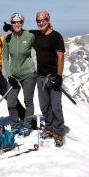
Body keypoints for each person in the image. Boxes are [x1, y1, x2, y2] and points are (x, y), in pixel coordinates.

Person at [31, 11, 66, 147]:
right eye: (38, 21)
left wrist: (59, 76)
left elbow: (61, 57)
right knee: (44, 105)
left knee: (56, 106)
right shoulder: (36, 34)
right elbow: (21, 30)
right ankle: (49, 128)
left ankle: (58, 132)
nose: (41, 23)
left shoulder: (56, 37)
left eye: (43, 20)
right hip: (40, 77)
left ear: (48, 19)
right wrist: (10, 27)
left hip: (53, 77)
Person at [2, 13, 36, 136]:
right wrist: (9, 75)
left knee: (28, 101)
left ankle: (27, 126)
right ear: (11, 23)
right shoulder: (8, 39)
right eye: (14, 22)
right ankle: (15, 126)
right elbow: (5, 58)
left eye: (19, 22)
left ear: (22, 23)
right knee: (11, 103)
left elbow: (40, 50)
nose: (17, 24)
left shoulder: (29, 36)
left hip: (28, 74)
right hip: (13, 77)